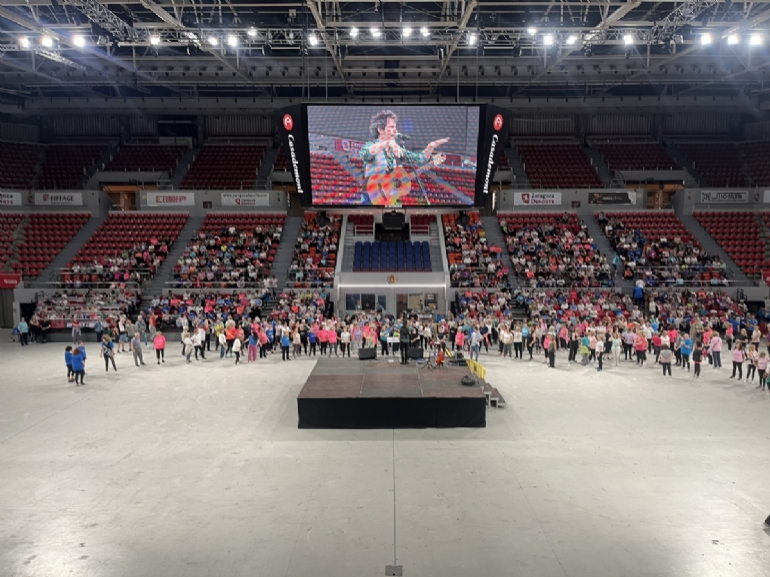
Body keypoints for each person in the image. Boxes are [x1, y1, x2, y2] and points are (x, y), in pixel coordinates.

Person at [359, 109, 450, 206]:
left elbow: (420, 159)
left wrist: (430, 147)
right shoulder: (370, 145)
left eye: (395, 127)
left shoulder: (397, 149)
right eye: (392, 127)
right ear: (381, 129)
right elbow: (366, 153)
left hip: (390, 200)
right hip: (370, 199)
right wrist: (388, 143)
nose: (396, 130)